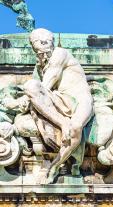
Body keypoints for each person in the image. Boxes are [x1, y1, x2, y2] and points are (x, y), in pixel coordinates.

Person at [21, 28, 94, 184]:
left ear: (51, 42)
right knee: (30, 86)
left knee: (76, 128)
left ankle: (55, 166)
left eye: (45, 43)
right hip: (58, 98)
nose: (42, 48)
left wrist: (27, 99)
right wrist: (26, 97)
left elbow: (49, 79)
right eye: (38, 45)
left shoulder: (60, 53)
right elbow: (35, 87)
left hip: (79, 99)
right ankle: (63, 123)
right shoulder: (40, 64)